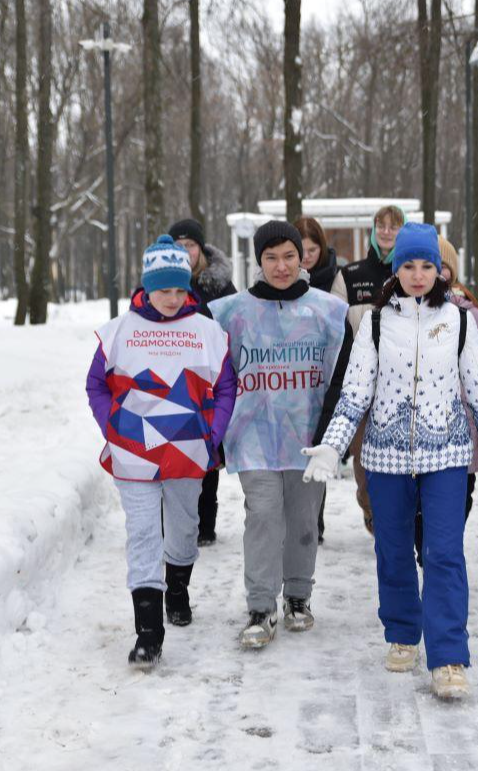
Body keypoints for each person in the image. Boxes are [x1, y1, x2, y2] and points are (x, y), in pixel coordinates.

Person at [302, 222, 478, 700]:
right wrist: (334, 446)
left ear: (440, 271)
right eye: (408, 265)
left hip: (447, 456)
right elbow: (354, 394)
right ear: (395, 270)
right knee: (393, 550)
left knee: (444, 554)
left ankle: (449, 657)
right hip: (385, 456)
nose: (418, 274)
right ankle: (402, 631)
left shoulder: (459, 322)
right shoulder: (376, 323)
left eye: (427, 266)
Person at [86, 235, 237, 669]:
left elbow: (227, 385)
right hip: (133, 455)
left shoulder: (207, 331)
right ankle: (148, 633)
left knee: (184, 529)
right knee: (144, 534)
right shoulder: (119, 332)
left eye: (179, 289)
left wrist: (214, 432)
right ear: (146, 286)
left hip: (189, 454)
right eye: (163, 289)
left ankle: (179, 588)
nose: (172, 298)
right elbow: (95, 384)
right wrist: (112, 428)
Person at [208, 221, 352, 649]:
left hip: (308, 436)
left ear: (302, 257)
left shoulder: (328, 311)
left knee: (304, 519)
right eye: (271, 257)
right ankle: (259, 605)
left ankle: (298, 596)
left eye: (289, 255)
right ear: (258, 261)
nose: (281, 266)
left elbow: (340, 378)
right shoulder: (231, 313)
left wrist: (334, 436)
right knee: (264, 515)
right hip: (253, 436)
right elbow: (216, 377)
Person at [408, 236, 478, 567]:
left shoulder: (473, 318)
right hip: (417, 436)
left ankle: (442, 552)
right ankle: (426, 548)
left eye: (441, 267)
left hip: (463, 435)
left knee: (459, 501)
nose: (436, 276)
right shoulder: (400, 317)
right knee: (419, 506)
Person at [330, 204, 405, 535]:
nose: (387, 231)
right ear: (374, 229)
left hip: (402, 388)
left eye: (394, 226)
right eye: (381, 225)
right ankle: (371, 510)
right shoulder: (350, 275)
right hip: (361, 387)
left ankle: (396, 521)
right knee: (365, 466)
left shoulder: (412, 273)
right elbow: (335, 332)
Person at [169, 218, 238, 547]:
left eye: (190, 245)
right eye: (178, 246)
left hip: (211, 378)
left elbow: (236, 324)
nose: (185, 251)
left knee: (207, 450)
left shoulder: (220, 285)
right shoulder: (163, 284)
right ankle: (175, 519)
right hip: (172, 379)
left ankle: (205, 523)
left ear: (201, 249)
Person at [294, 216, 340, 544]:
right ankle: (297, 519)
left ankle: (315, 520)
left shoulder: (334, 279)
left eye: (313, 249)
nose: (307, 256)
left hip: (324, 375)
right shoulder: (285, 279)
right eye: (302, 249)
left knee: (317, 447)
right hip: (291, 377)